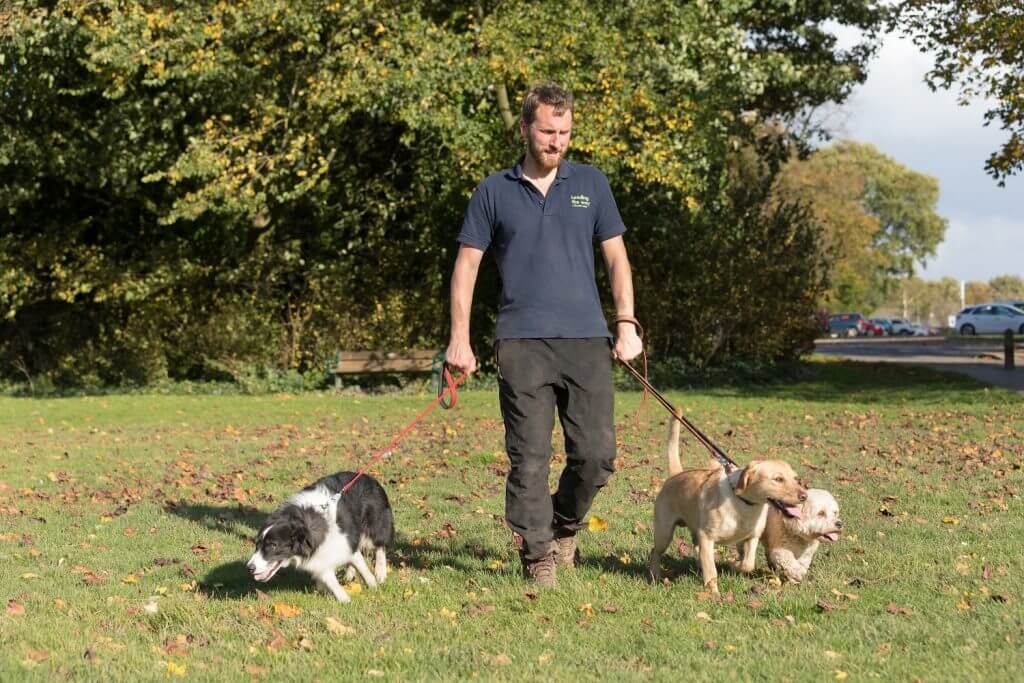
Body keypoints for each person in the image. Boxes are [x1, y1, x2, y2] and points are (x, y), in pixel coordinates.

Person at [445, 82, 643, 586]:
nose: (557, 142)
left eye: (566, 132)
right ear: (525, 128)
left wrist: (625, 323)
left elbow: (616, 257)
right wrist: (460, 339)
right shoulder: (493, 192)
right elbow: (467, 266)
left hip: (586, 340)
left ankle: (562, 525)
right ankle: (538, 558)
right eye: (548, 131)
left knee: (597, 456)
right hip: (521, 342)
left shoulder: (592, 184)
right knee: (528, 458)